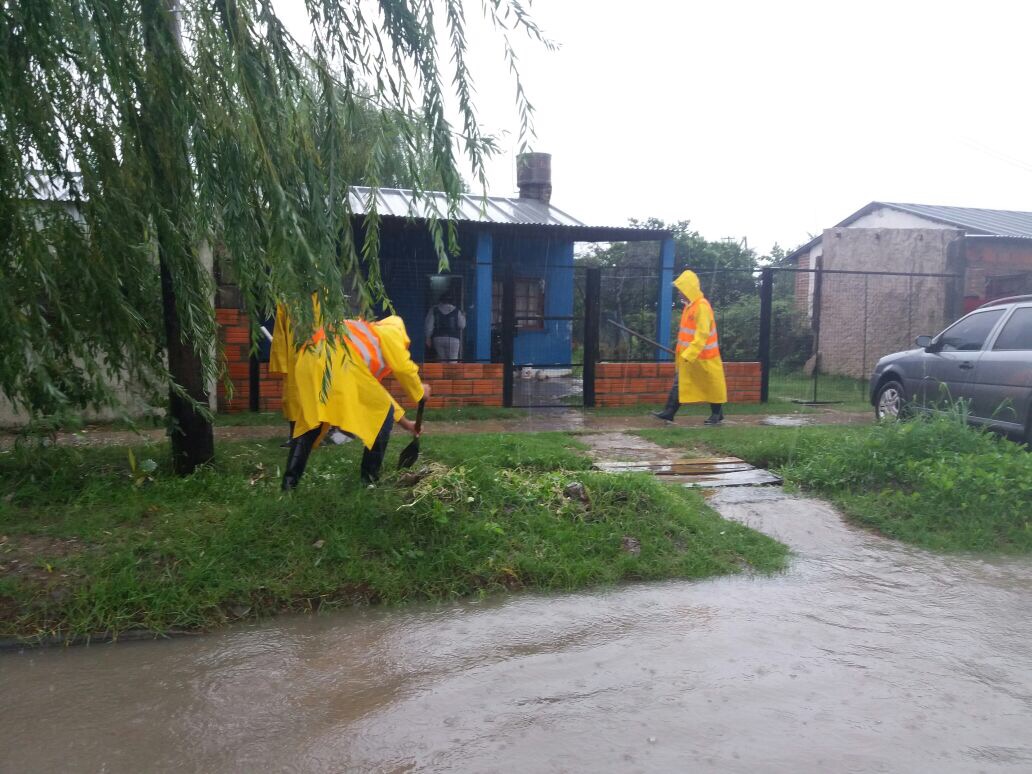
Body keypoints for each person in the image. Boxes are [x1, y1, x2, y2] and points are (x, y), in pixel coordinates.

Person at [281, 313, 429, 490]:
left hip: (309, 359)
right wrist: (420, 391)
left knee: (311, 423)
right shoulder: (391, 333)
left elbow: (377, 393)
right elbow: (404, 368)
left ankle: (288, 485)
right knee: (382, 416)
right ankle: (369, 481)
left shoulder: (364, 337)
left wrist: (407, 424)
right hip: (336, 360)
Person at [652, 269, 727, 425]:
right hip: (691, 356)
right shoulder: (690, 306)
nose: (679, 293)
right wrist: (684, 353)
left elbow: (702, 334)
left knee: (712, 385)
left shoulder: (702, 307)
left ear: (689, 289)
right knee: (680, 383)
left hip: (705, 357)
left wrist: (689, 353)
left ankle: (716, 415)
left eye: (681, 289)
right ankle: (669, 412)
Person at [424, 290, 465, 362]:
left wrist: (428, 337)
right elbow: (462, 325)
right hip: (453, 339)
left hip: (438, 338)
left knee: (442, 361)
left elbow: (429, 325)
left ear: (440, 300)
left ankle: (443, 373)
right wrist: (463, 316)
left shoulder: (434, 309)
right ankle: (452, 373)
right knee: (453, 361)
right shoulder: (457, 311)